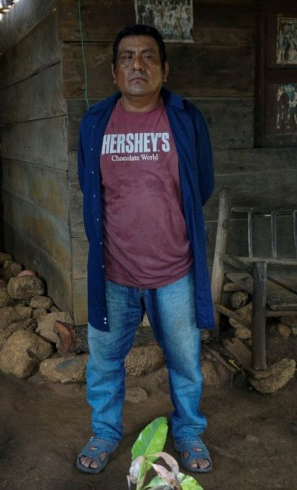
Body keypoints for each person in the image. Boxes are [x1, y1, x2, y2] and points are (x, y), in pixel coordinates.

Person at [76, 24, 215, 475]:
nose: (138, 65)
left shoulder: (187, 118)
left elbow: (203, 185)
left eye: (149, 56)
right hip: (113, 271)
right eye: (127, 57)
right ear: (115, 72)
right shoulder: (96, 122)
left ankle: (190, 431)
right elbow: (88, 187)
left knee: (185, 360)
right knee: (104, 361)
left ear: (164, 68)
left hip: (175, 270)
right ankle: (105, 431)